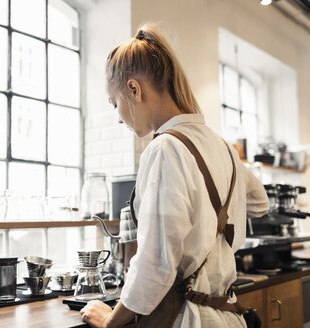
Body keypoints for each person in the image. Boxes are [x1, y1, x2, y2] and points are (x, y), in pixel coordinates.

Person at [80, 24, 269, 328]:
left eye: (115, 103)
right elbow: (260, 204)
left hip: (190, 319)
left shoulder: (165, 148)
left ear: (133, 89)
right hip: (230, 315)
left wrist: (110, 321)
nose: (118, 116)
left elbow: (156, 263)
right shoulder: (221, 145)